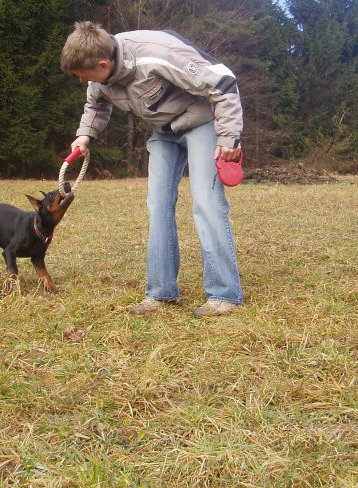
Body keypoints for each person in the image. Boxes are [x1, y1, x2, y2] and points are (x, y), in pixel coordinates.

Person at [61, 21, 244, 317]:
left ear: (103, 63)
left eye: (84, 75)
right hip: (164, 131)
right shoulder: (99, 73)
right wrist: (85, 134)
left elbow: (223, 82)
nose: (82, 81)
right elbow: (95, 105)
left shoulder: (156, 54)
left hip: (202, 122)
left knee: (206, 203)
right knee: (157, 204)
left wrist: (228, 136)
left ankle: (224, 294)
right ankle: (161, 293)